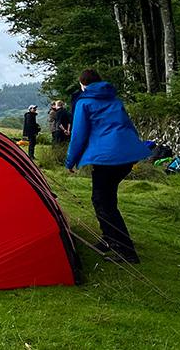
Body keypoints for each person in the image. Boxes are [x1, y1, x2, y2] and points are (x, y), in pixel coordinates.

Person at [66, 69, 150, 264]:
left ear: (83, 85)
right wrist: (133, 151)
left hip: (107, 157)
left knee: (103, 202)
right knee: (105, 199)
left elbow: (78, 135)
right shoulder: (114, 100)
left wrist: (71, 161)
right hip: (125, 156)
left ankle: (127, 252)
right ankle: (109, 240)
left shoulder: (84, 102)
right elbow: (129, 127)